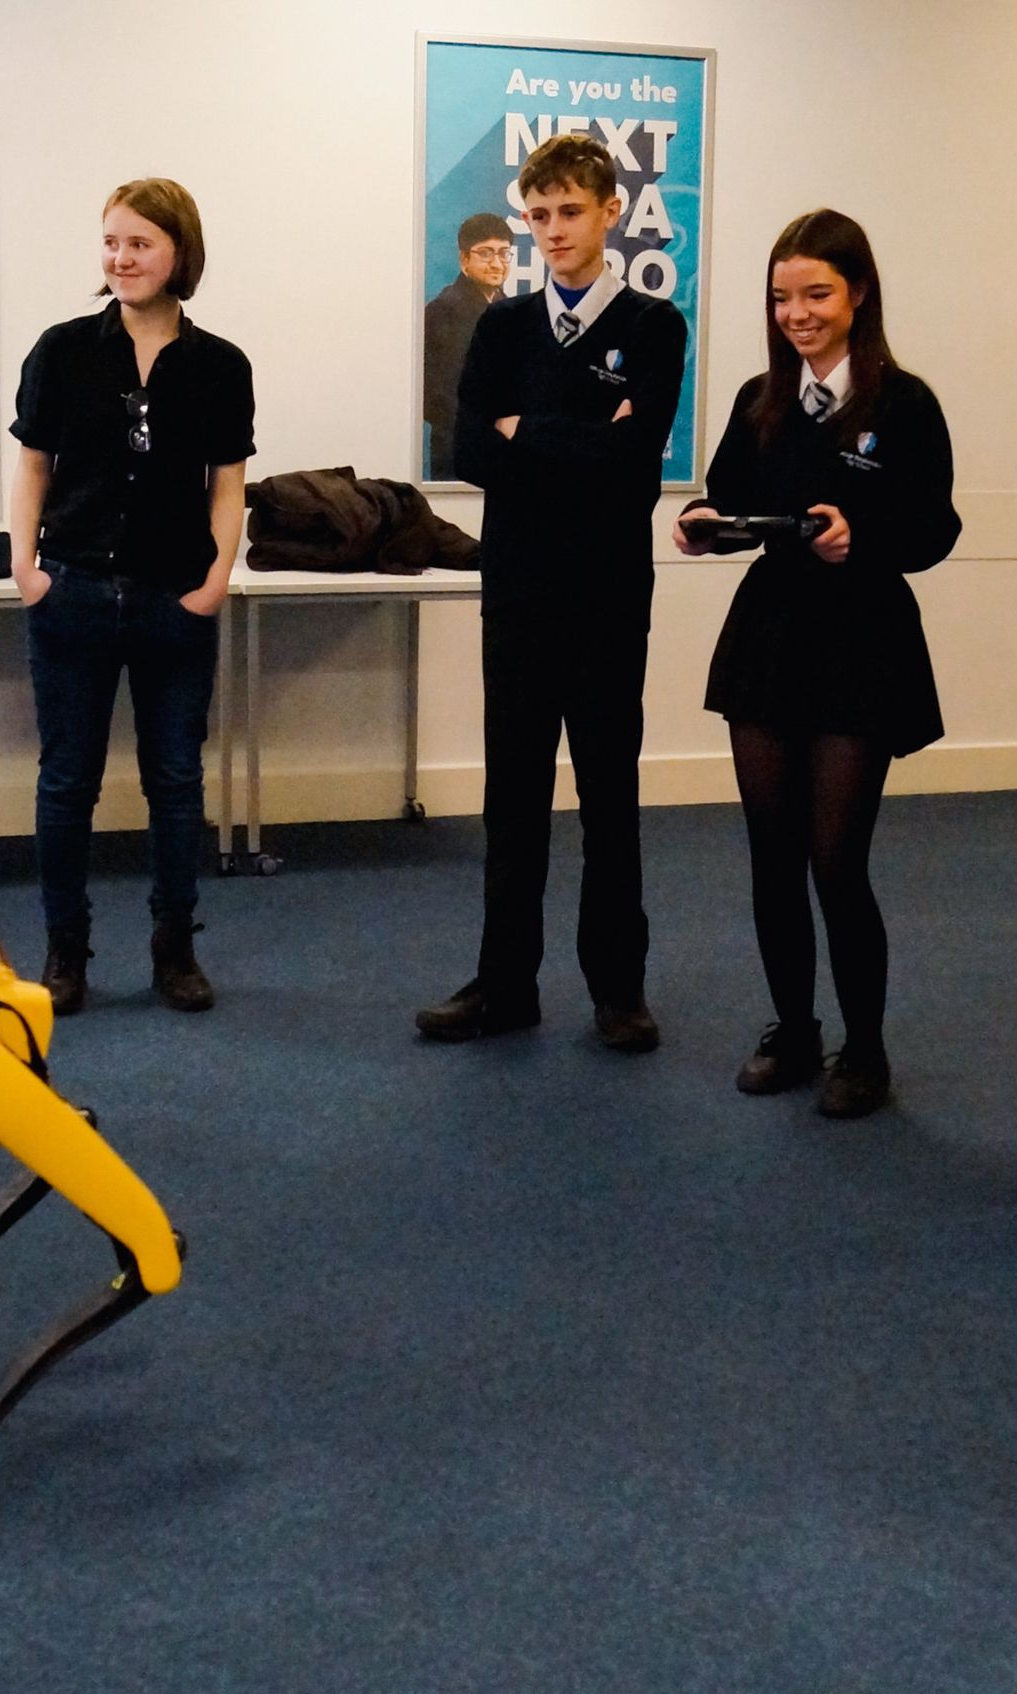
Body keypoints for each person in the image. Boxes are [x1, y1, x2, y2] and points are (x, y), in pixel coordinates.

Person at [675, 209, 960, 1117]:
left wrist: (858, 534)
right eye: (781, 298)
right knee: (772, 855)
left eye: (816, 295)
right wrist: (703, 527)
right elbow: (726, 496)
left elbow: (935, 529)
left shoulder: (904, 402)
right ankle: (793, 1031)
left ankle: (865, 1052)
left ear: (858, 293)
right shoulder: (762, 398)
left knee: (837, 860)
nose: (797, 313)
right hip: (769, 640)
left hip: (863, 643)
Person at [416, 134, 686, 1051]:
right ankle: (505, 986)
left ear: (610, 211)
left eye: (570, 212)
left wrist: (528, 429)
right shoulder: (503, 326)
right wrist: (577, 435)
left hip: (610, 598)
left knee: (609, 795)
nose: (553, 230)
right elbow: (470, 453)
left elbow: (634, 470)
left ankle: (618, 989)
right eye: (538, 215)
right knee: (514, 797)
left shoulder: (655, 327)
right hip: (521, 594)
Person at [8, 178, 254, 1014]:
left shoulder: (221, 366)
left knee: (177, 782)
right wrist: (25, 569)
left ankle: (174, 950)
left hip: (173, 599)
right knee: (66, 782)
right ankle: (64, 951)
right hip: (70, 592)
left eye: (139, 243)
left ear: (178, 252)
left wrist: (217, 577)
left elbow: (229, 485)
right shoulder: (63, 349)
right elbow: (32, 468)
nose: (121, 258)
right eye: (111, 242)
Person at [422, 212, 513, 480]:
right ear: (464, 260)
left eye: (504, 253)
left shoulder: (509, 310)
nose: (497, 263)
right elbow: (434, 395)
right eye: (485, 253)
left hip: (503, 450)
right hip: (457, 451)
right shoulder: (442, 312)